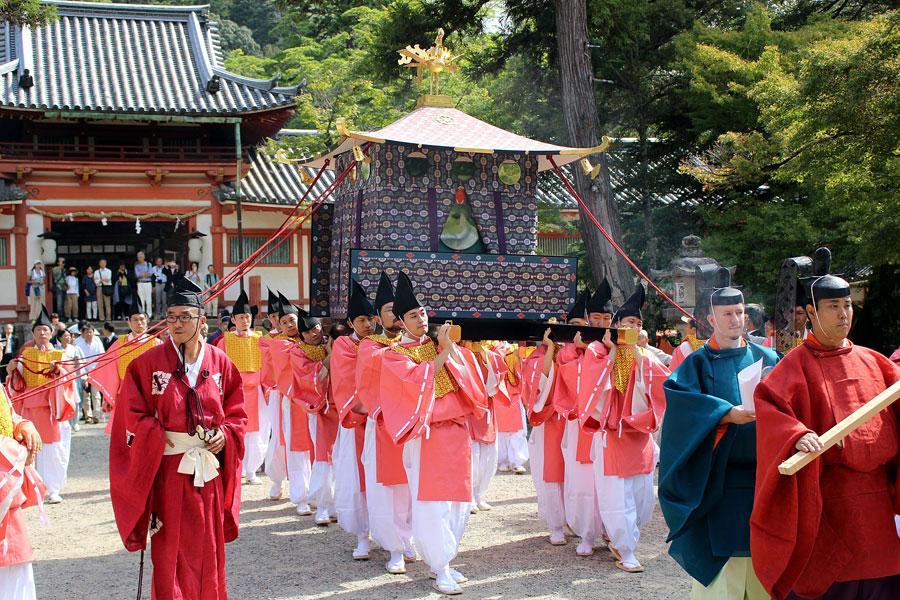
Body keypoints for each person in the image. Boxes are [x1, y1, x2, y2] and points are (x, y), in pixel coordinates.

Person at [751, 248, 900, 600]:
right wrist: (795, 435)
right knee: (832, 586)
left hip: (876, 501)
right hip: (827, 499)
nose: (843, 314)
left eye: (847, 305)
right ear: (812, 314)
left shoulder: (876, 362)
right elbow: (772, 410)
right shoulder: (794, 366)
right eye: (833, 307)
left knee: (883, 583)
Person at [109, 276, 247, 600]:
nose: (177, 323)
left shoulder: (220, 363)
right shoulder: (146, 364)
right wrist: (158, 438)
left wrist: (225, 436)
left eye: (185, 316)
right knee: (169, 550)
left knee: (208, 548)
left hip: (208, 472)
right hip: (169, 470)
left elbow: (238, 413)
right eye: (171, 317)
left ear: (202, 319)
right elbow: (131, 415)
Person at [659, 268, 778, 598]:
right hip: (718, 482)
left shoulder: (768, 357)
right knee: (723, 575)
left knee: (763, 566)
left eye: (739, 313)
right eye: (726, 314)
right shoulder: (697, 363)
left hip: (763, 481)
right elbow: (684, 412)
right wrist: (726, 414)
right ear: (710, 318)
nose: (735, 320)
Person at [378, 271, 487, 595]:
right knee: (432, 503)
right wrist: (444, 352)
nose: (422, 319)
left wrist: (449, 350)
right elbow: (414, 383)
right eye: (413, 315)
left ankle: (447, 561)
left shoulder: (440, 344)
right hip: (426, 436)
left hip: (457, 432)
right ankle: (438, 567)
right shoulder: (395, 355)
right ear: (400, 321)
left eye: (423, 313)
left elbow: (471, 383)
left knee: (458, 502)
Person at [574, 285, 669, 573]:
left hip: (639, 435)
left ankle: (621, 537)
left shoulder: (646, 354)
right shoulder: (597, 350)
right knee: (618, 496)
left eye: (639, 323)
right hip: (612, 434)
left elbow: (660, 383)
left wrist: (638, 352)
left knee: (641, 500)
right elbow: (594, 388)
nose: (634, 326)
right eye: (629, 322)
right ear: (616, 325)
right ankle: (625, 548)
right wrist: (615, 351)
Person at [355, 272, 417, 575]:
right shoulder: (370, 346)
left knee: (412, 486)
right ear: (378, 317)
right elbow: (370, 383)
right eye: (389, 310)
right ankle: (394, 547)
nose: (394, 315)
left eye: (398, 310)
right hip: (384, 424)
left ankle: (409, 538)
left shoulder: (418, 344)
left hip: (414, 425)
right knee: (389, 490)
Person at [6, 305, 77, 504]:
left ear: (51, 332)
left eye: (45, 330)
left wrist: (58, 372)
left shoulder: (61, 355)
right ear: (33, 333)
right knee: (30, 448)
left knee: (52, 450)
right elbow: (17, 383)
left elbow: (69, 379)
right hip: (29, 409)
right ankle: (33, 489)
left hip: (51, 408)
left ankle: (52, 489)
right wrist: (12, 371)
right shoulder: (25, 354)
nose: (42, 333)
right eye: (38, 330)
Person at [557, 284, 608, 557]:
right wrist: (587, 353)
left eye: (606, 319)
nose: (601, 323)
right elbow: (575, 384)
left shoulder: (615, 346)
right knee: (583, 480)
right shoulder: (570, 351)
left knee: (610, 481)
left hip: (610, 424)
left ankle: (611, 531)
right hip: (580, 423)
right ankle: (586, 533)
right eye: (596, 318)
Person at [329, 280, 376, 559]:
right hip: (356, 417)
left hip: (382, 420)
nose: (368, 324)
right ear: (350, 322)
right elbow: (346, 381)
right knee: (358, 477)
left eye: (371, 318)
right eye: (361, 320)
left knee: (384, 479)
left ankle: (395, 534)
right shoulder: (344, 346)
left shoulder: (382, 343)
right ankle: (363, 536)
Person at [259, 293, 315, 510]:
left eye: (292, 319)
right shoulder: (277, 343)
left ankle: (316, 491)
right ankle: (299, 495)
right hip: (288, 398)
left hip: (313, 397)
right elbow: (287, 370)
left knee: (314, 446)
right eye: (283, 322)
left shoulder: (307, 338)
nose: (289, 324)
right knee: (292, 444)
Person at [213, 290, 267, 484]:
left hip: (257, 393)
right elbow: (217, 368)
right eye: (241, 317)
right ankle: (238, 468)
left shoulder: (261, 339)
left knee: (257, 432)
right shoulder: (224, 341)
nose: (245, 320)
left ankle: (252, 470)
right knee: (236, 430)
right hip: (234, 392)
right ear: (234, 320)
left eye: (248, 317)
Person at [291, 307, 337, 526]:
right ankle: (322, 505)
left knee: (342, 458)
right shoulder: (298, 352)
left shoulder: (336, 342)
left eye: (316, 327)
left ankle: (339, 504)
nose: (313, 333)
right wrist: (330, 356)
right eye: (307, 331)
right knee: (323, 457)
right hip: (319, 408)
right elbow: (311, 377)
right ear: (302, 335)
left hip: (342, 407)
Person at [87, 298, 160, 433]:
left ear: (147, 321)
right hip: (125, 395)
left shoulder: (156, 343)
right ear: (129, 322)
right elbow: (107, 368)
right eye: (135, 320)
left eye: (142, 319)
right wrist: (109, 396)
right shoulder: (120, 343)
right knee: (124, 434)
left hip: (149, 397)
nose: (139, 323)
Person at [0, 383, 44, 600]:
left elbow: (8, 416)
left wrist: (23, 426)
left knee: (15, 568)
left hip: (7, 502)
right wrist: (16, 452)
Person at [74, 322, 105, 425]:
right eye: (86, 332)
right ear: (82, 334)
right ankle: (88, 416)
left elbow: (102, 357)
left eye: (91, 332)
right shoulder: (78, 344)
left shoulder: (97, 342)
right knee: (85, 395)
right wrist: (84, 372)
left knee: (96, 395)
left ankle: (96, 415)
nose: (89, 334)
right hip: (83, 372)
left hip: (96, 371)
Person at [56, 327, 85, 433]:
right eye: (65, 336)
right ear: (60, 338)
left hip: (73, 378)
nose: (68, 337)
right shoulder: (57, 350)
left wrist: (81, 376)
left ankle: (75, 422)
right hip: (62, 379)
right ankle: (67, 423)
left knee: (76, 400)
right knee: (64, 400)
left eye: (68, 335)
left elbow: (79, 364)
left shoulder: (74, 349)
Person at [133, 251, 153, 318]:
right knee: (141, 299)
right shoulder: (136, 265)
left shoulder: (148, 264)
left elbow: (150, 273)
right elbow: (137, 275)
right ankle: (142, 314)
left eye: (141, 256)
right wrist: (144, 274)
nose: (140, 258)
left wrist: (142, 274)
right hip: (140, 283)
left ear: (144, 257)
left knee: (148, 299)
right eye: (139, 257)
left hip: (147, 283)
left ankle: (149, 314)